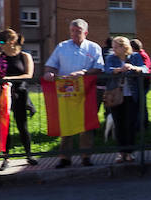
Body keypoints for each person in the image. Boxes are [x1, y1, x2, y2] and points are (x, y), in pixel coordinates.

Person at [42, 18, 105, 168]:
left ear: (86, 32)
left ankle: (86, 157)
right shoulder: (62, 47)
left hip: (87, 92)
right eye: (72, 31)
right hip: (67, 92)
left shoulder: (94, 47)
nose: (75, 34)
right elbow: (51, 66)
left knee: (87, 124)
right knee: (67, 123)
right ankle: (65, 158)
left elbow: (99, 67)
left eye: (78, 31)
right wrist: (50, 73)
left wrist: (84, 72)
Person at [0, 29, 37, 169]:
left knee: (22, 125)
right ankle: (5, 158)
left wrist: (10, 79)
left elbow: (28, 75)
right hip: (2, 94)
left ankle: (29, 154)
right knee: (4, 126)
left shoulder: (24, 56)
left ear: (11, 41)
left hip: (19, 93)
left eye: (2, 41)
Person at [103, 36, 148, 162]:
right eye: (113, 46)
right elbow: (107, 70)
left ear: (124, 47)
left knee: (130, 124)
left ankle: (130, 152)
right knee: (119, 124)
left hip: (131, 95)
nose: (114, 49)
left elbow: (145, 68)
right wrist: (118, 70)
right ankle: (120, 151)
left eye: (116, 46)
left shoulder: (135, 57)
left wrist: (134, 68)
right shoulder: (111, 58)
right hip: (116, 95)